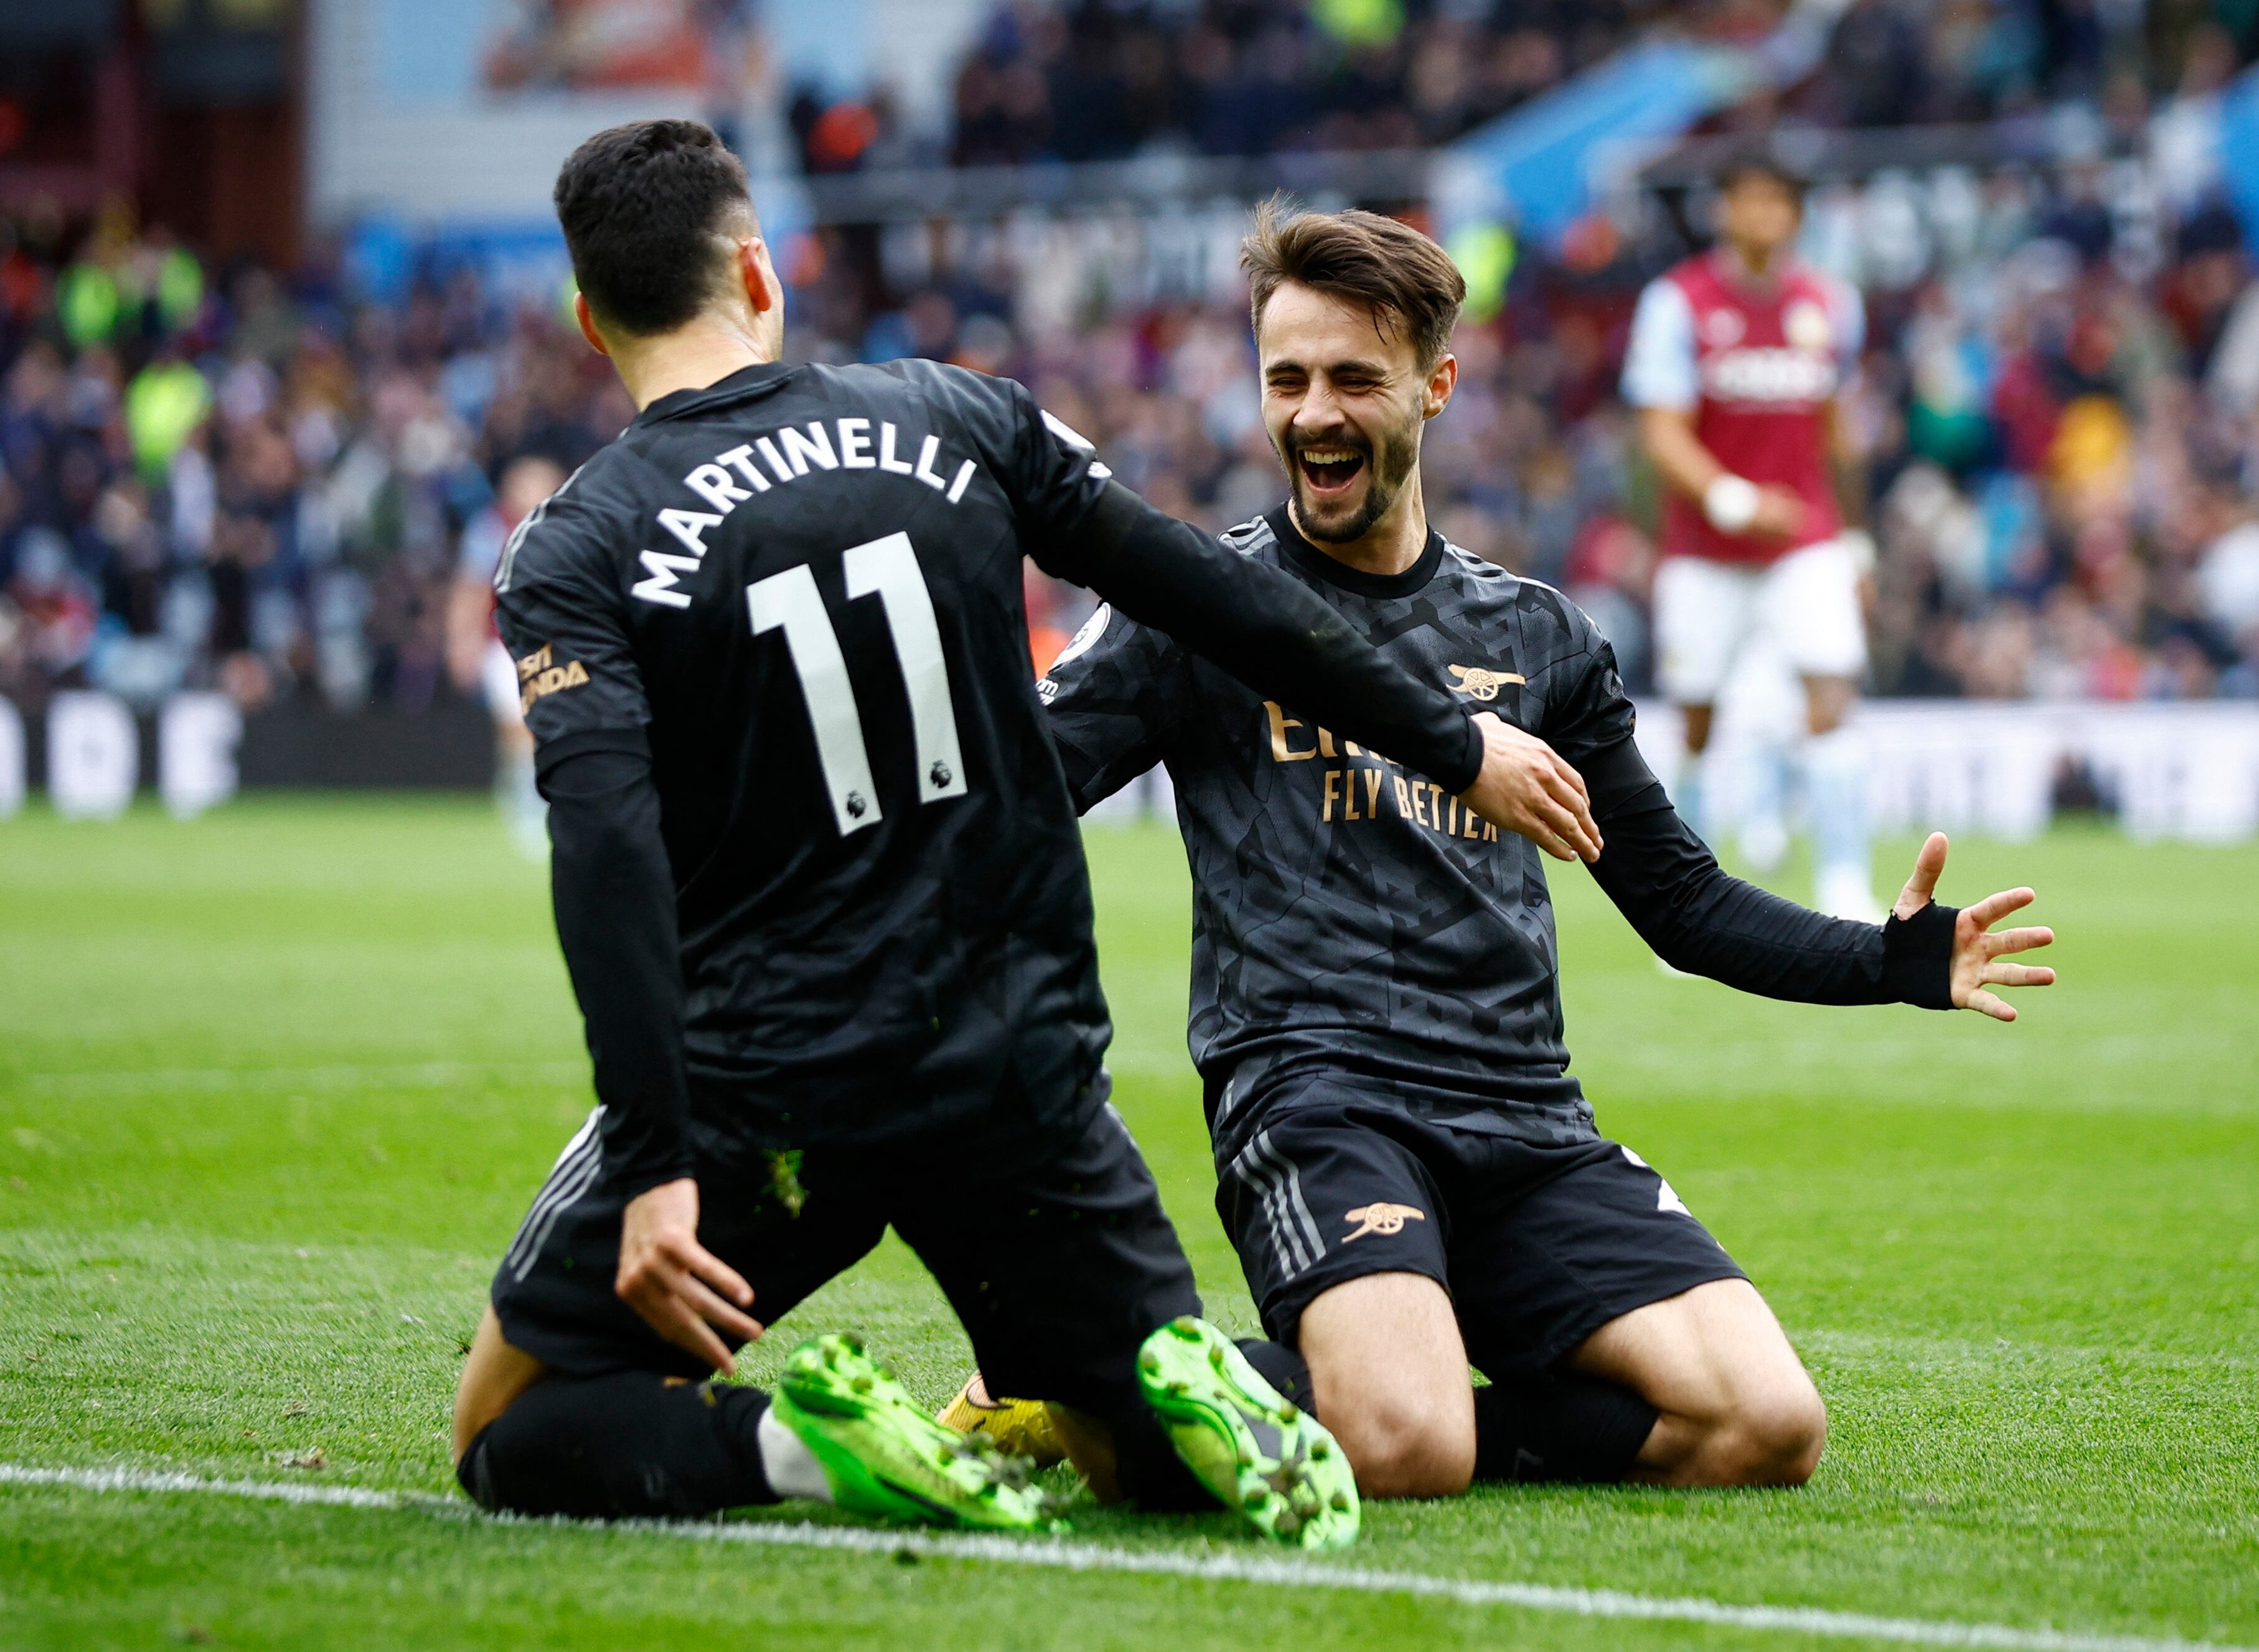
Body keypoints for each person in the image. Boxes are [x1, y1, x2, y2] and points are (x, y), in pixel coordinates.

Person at [445, 121, 1604, 1548]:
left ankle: (806, 1450)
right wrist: (1454, 739)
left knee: (507, 1418)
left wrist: (652, 1156)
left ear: (587, 316)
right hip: (1015, 1060)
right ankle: (1143, 1382)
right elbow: (1214, 595)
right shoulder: (956, 414)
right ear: (760, 269)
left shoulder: (577, 544)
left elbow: (607, 849)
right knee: (1117, 1443)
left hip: (775, 1067)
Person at [965, 202, 2054, 1499]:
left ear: (1437, 385)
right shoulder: (1197, 604)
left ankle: (1368, 1386)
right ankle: (1076, 1363)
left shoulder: (1535, 635)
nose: (1314, 412)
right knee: (1404, 1445)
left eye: (1354, 378)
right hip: (1321, 1096)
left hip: (1524, 1117)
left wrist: (1891, 962)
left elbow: (1680, 902)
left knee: (1765, 1425)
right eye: (1287, 378)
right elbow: (1009, 791)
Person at [1625, 153, 1880, 920]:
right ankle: (1688, 901)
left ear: (1796, 216)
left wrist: (1858, 539)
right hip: (1706, 549)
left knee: (1830, 692)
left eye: (1779, 202)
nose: (1765, 216)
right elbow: (1661, 434)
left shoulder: (1831, 304)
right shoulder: (1678, 303)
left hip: (1806, 540)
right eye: (1750, 201)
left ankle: (1844, 884)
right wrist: (1731, 500)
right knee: (1698, 718)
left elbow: (1838, 431)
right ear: (1725, 211)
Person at [447, 454, 567, 860]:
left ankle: (536, 799)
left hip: (557, 642)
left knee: (548, 727)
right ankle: (527, 807)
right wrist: (462, 640)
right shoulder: (491, 529)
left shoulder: (569, 523)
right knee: (519, 728)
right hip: (504, 643)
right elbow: (471, 587)